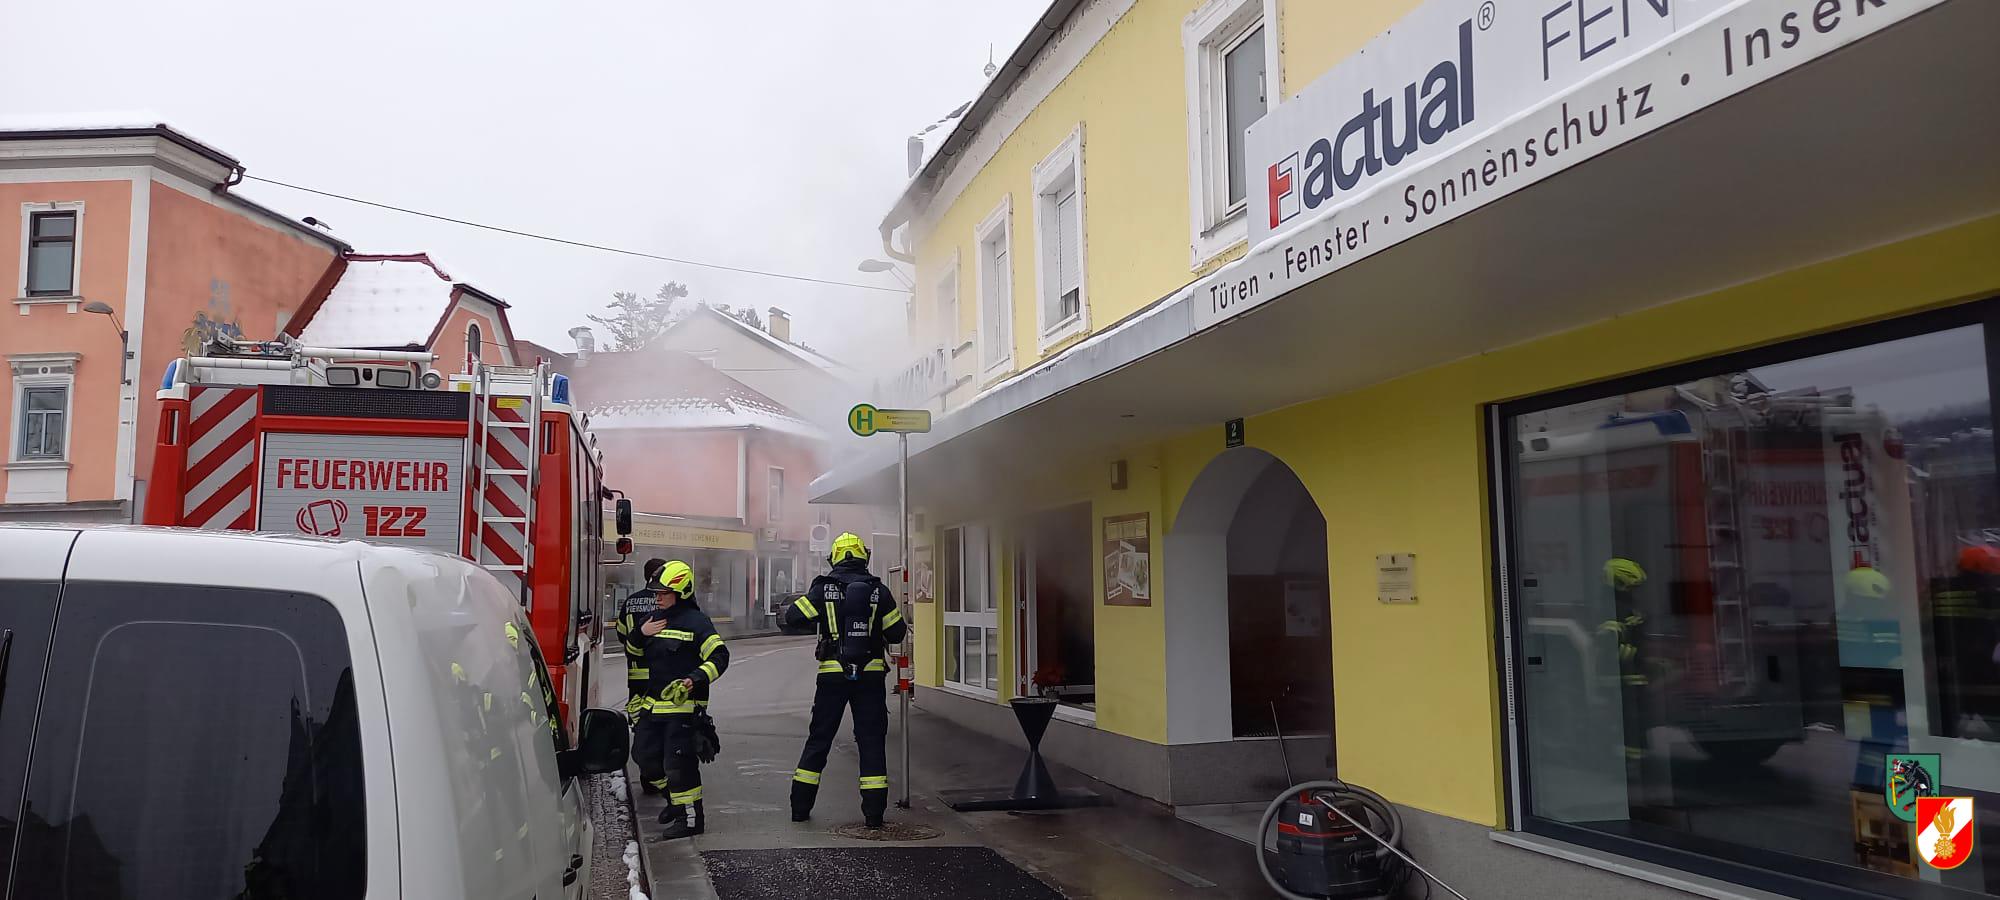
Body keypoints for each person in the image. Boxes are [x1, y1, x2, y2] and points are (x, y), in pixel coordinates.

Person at [784, 533, 907, 827]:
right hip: (871, 675)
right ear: (864, 556)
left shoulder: (823, 588)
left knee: (819, 738)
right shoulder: (879, 590)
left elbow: (793, 617)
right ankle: (874, 814)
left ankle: (800, 808)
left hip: (832, 675)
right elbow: (897, 633)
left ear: (835, 558)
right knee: (871, 741)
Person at [631, 560, 729, 839]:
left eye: (663, 593)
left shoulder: (698, 623)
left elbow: (720, 657)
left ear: (681, 592)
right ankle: (675, 802)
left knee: (679, 766)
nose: (657, 598)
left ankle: (690, 820)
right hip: (653, 707)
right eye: (656, 593)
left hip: (684, 709)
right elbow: (633, 652)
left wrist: (694, 679)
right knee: (644, 757)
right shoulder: (651, 619)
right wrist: (640, 633)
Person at [616, 559, 670, 728]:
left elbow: (621, 634)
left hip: (636, 673)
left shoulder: (630, 601)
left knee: (638, 713)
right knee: (661, 714)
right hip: (661, 670)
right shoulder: (666, 601)